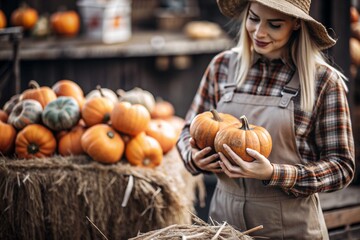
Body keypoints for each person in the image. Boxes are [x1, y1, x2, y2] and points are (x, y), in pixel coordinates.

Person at [176, 0, 355, 239]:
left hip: (290, 228)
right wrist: (195, 158)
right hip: (222, 225)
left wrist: (273, 173)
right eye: (253, 18)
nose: (259, 32)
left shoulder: (323, 81)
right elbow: (188, 130)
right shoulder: (222, 67)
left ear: (296, 24)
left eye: (274, 24)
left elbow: (341, 167)